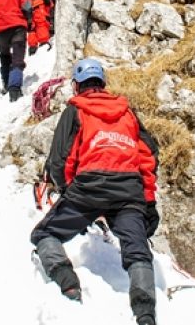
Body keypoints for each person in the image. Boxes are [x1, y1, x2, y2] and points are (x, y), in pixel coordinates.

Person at [30, 58, 160, 325]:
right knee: (138, 251)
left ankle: (68, 284)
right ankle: (145, 312)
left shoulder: (76, 110)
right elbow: (148, 158)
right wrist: (147, 203)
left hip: (88, 188)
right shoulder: (128, 113)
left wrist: (69, 191)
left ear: (77, 86)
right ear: (103, 83)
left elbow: (60, 160)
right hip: (129, 190)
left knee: (45, 234)